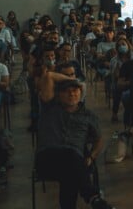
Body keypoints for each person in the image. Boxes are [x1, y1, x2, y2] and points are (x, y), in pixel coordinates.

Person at [35, 79, 115, 209]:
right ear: (59, 95)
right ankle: (93, 197)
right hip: (47, 158)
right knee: (71, 156)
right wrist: (72, 79)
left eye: (75, 91)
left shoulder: (88, 115)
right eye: (66, 91)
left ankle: (93, 199)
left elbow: (99, 140)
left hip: (73, 163)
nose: (71, 94)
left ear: (81, 93)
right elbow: (49, 76)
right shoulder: (49, 108)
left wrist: (92, 156)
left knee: (69, 173)